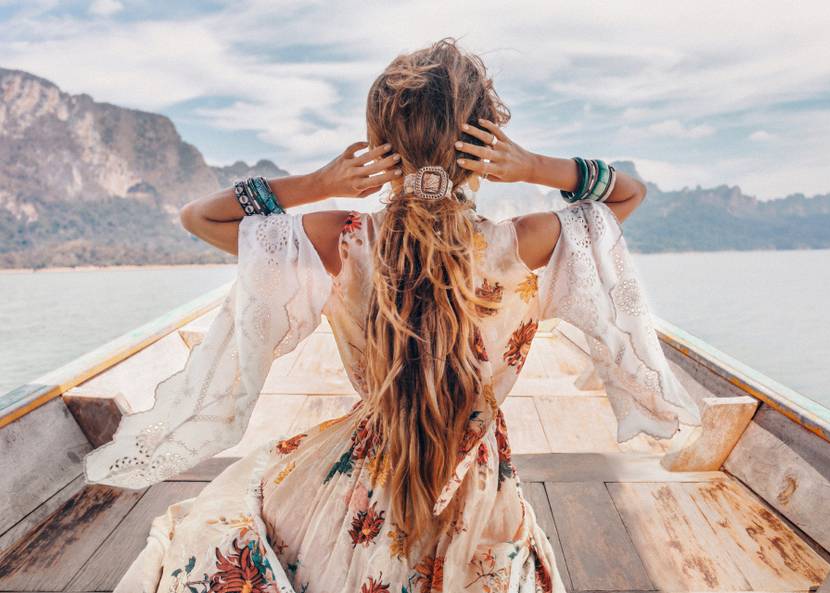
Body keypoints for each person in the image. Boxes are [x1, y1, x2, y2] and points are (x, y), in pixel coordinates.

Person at [83, 38, 701, 593]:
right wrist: (536, 166)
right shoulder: (527, 245)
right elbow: (626, 195)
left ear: (383, 146)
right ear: (486, 144)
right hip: (479, 488)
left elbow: (200, 217)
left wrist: (320, 181)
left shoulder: (343, 237)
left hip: (366, 477)